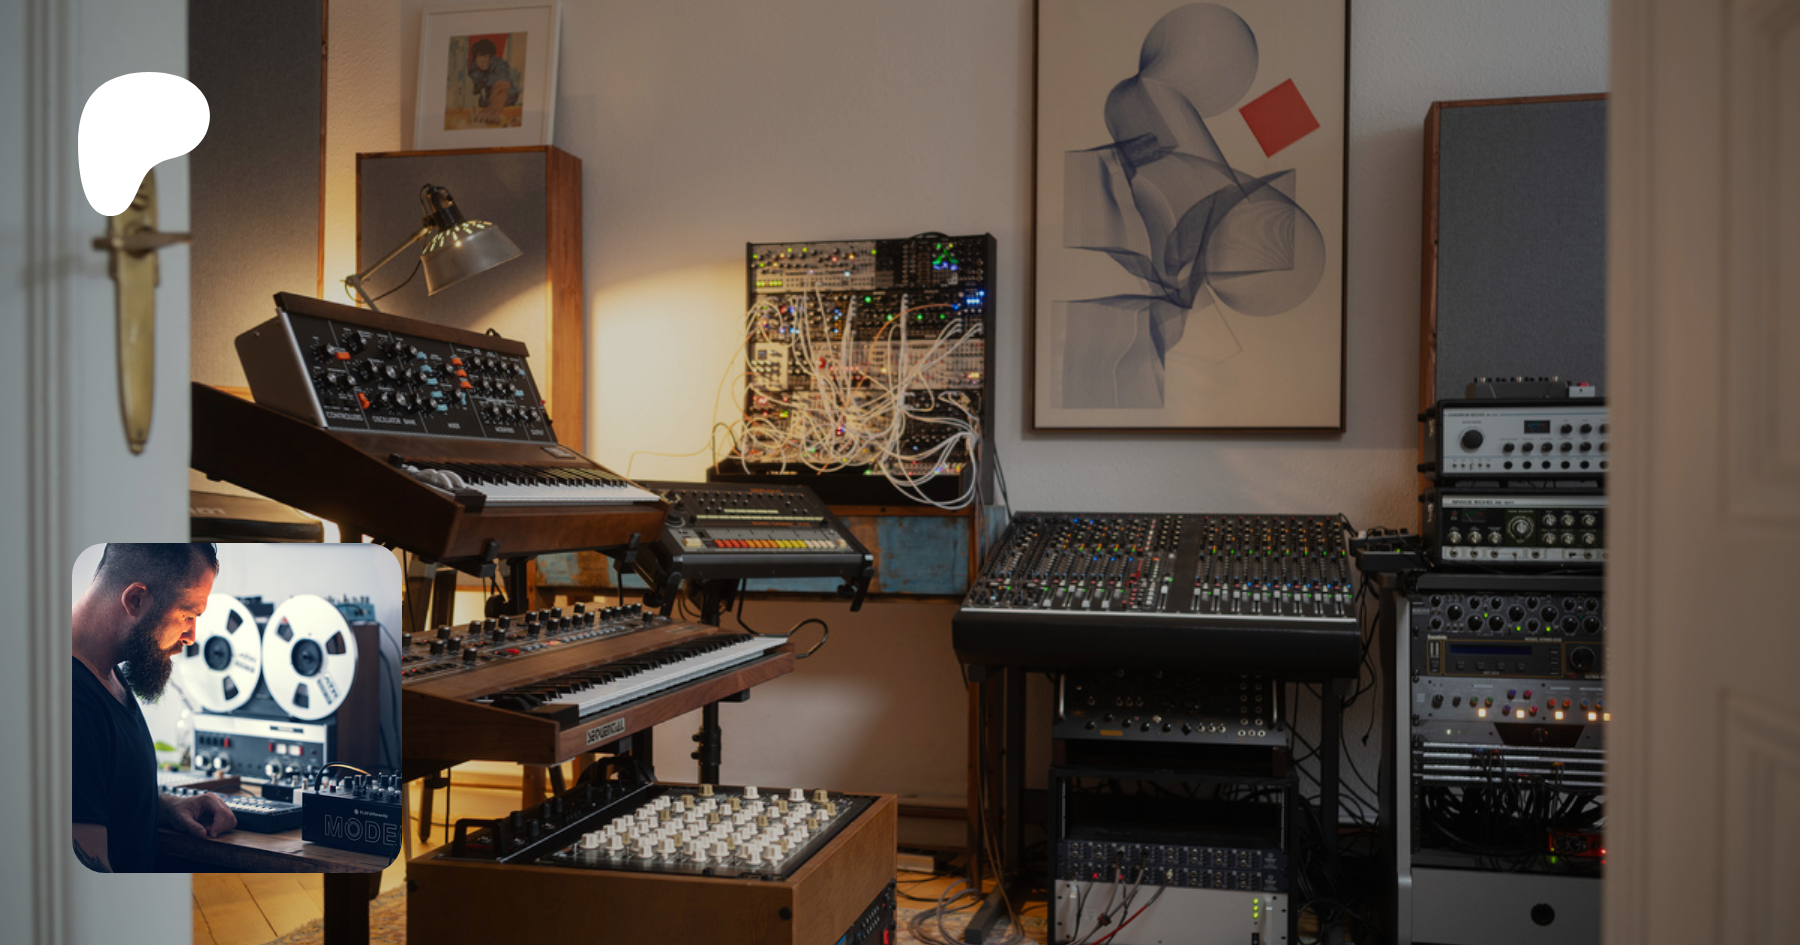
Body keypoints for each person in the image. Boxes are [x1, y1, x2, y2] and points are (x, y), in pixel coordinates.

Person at [72, 543, 236, 872]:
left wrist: (169, 806)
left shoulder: (107, 671)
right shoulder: (71, 703)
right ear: (135, 599)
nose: (191, 636)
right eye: (188, 615)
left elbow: (101, 794)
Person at [467, 37, 520, 125]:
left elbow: (501, 87)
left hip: (504, 107)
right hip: (482, 109)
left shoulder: (500, 65)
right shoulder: (473, 70)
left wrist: (492, 110)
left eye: (488, 56)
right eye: (482, 56)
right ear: (475, 57)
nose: (486, 60)